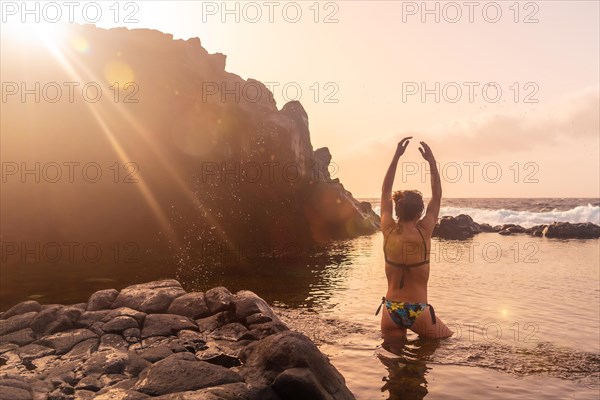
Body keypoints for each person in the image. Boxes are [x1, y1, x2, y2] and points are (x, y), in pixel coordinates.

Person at [376, 137, 453, 339]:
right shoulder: (423, 231)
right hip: (417, 311)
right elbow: (437, 196)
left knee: (394, 365)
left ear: (397, 210)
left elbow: (384, 192)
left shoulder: (388, 230)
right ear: (420, 212)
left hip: (390, 309)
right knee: (447, 343)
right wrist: (431, 161)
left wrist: (396, 156)